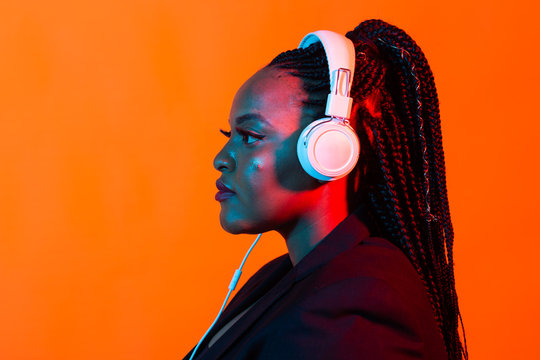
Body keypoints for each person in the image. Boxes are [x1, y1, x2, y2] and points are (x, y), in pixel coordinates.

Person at [184, 19, 467, 360]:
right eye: (228, 136)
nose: (221, 159)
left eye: (250, 137)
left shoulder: (357, 313)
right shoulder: (284, 277)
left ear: (326, 151)